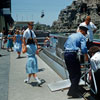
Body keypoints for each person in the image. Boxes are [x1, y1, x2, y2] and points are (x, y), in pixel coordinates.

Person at [64, 26, 88, 98]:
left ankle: (74, 88)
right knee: (77, 74)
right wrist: (85, 55)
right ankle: (72, 92)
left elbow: (65, 45)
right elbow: (83, 48)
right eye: (85, 32)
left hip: (66, 54)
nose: (85, 34)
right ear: (82, 31)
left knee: (72, 73)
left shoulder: (71, 35)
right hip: (72, 55)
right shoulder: (82, 37)